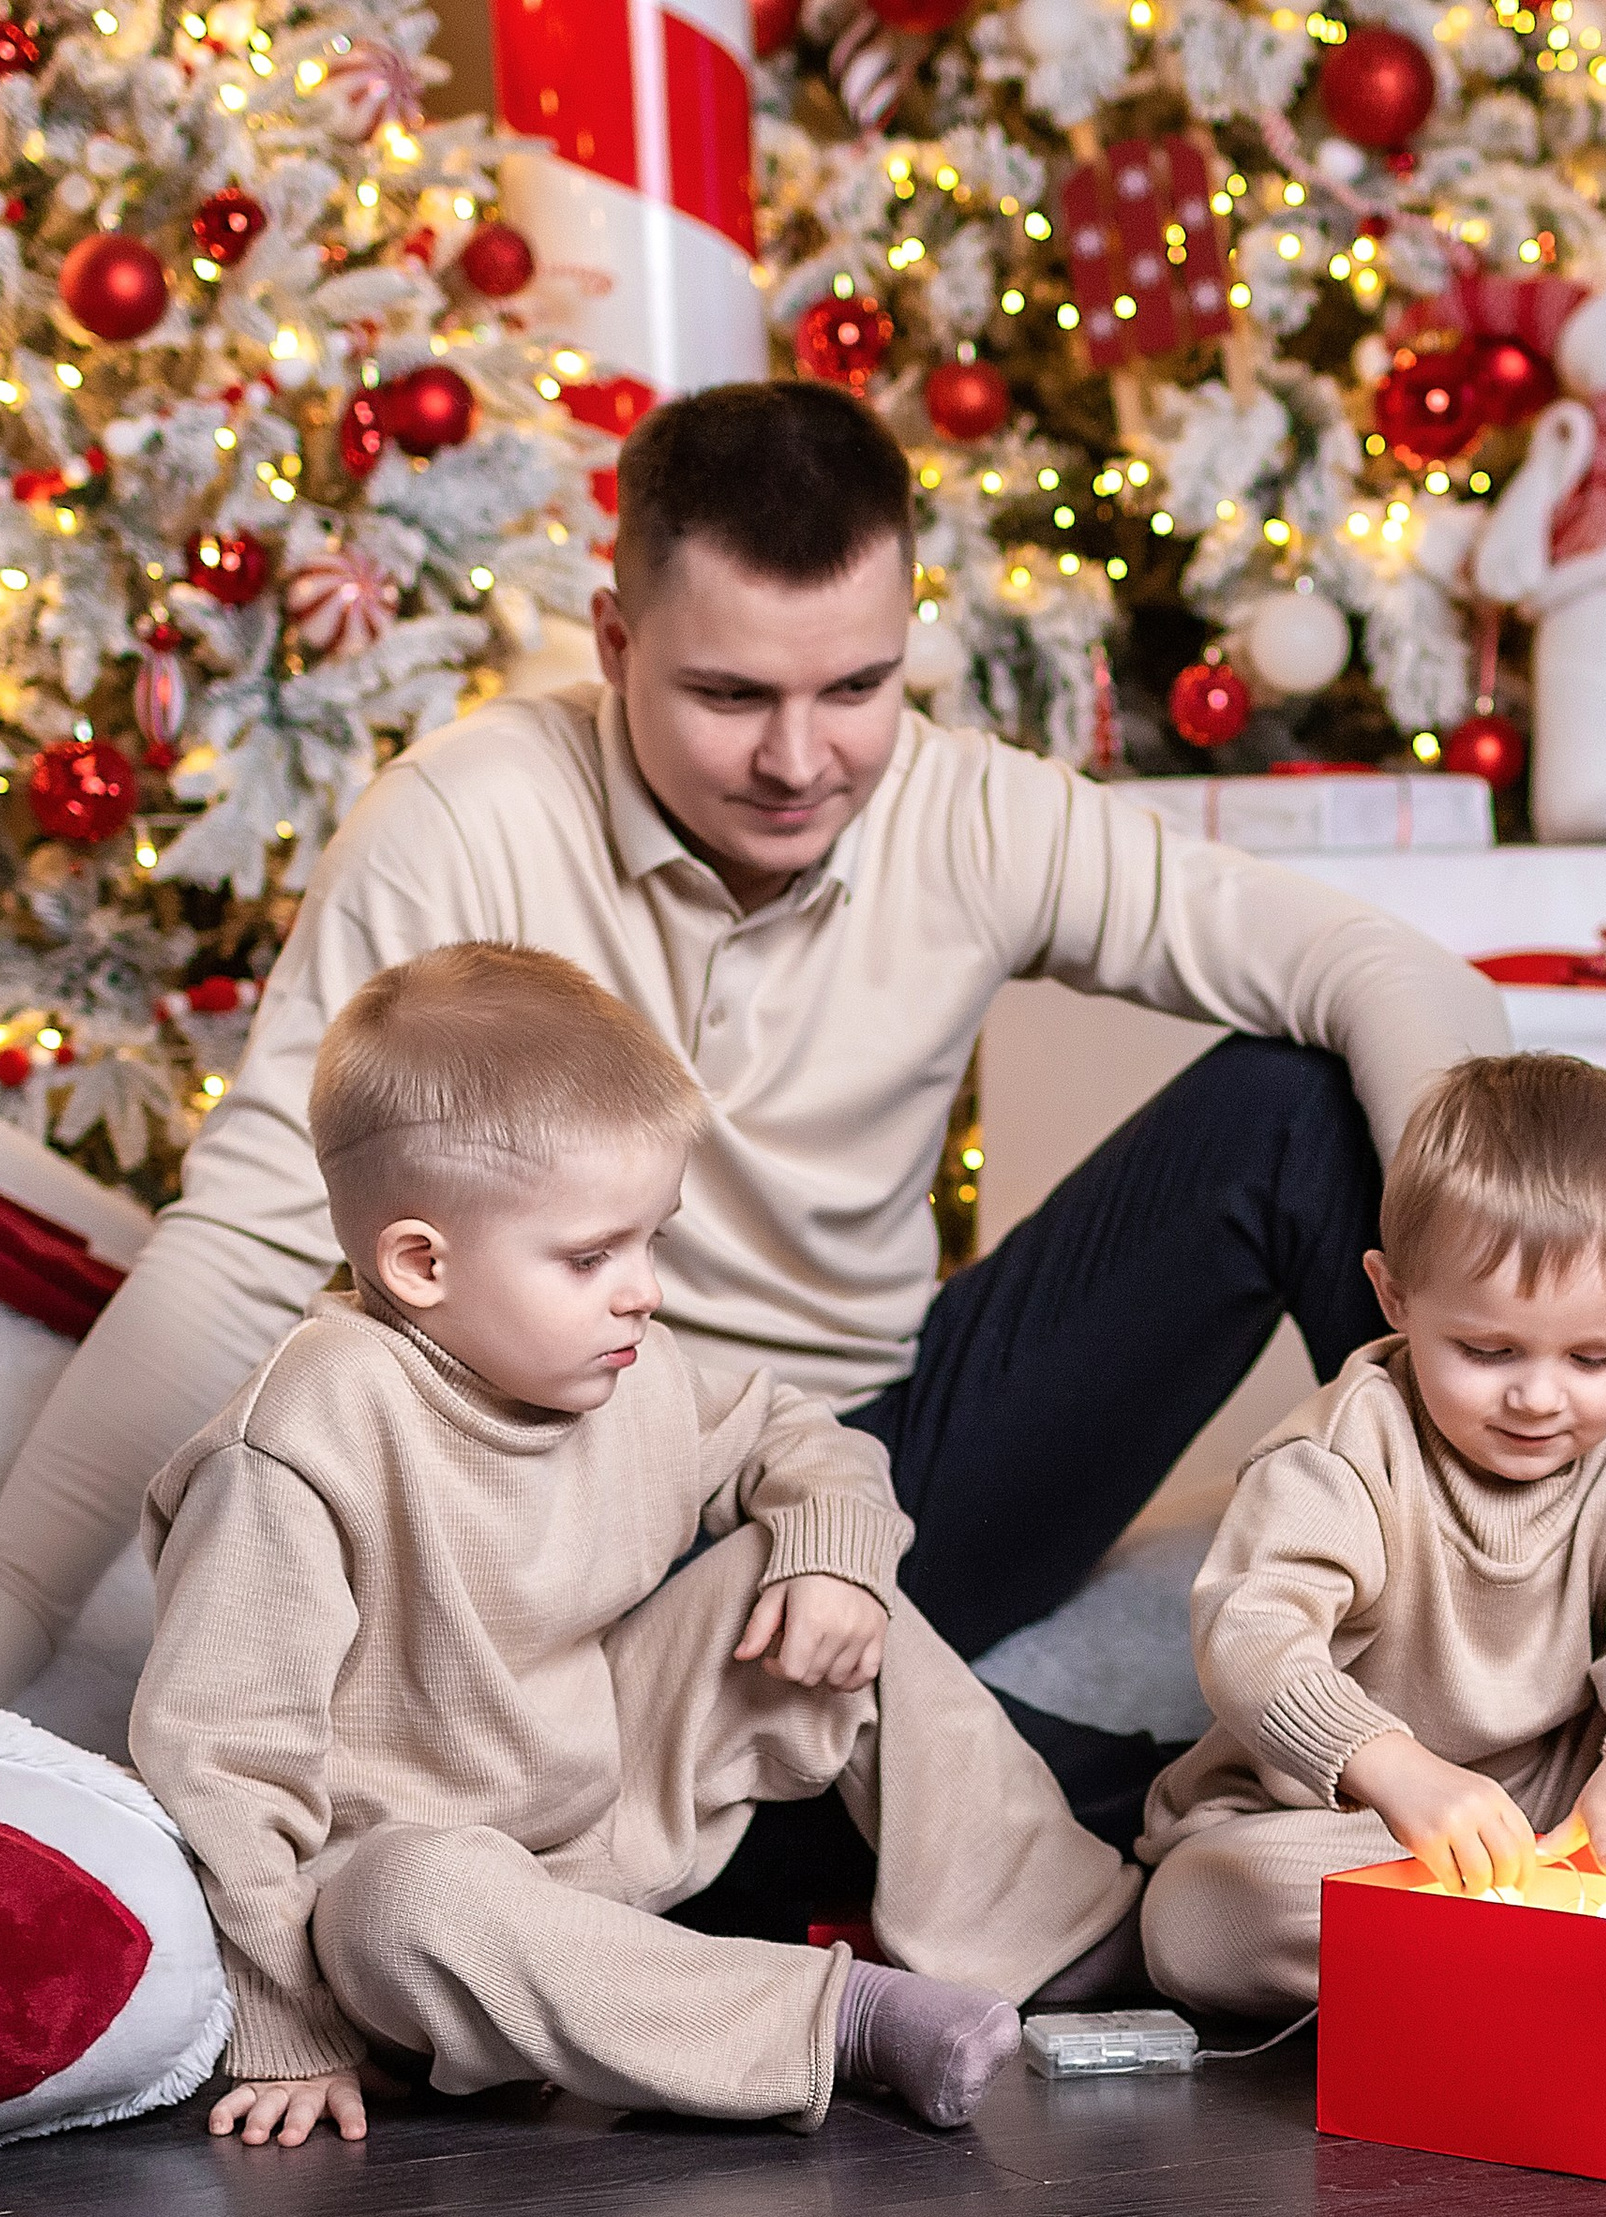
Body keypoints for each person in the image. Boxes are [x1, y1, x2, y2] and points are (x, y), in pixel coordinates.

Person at [0, 378, 1506, 1896]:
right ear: (615, 645)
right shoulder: (467, 818)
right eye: (730, 697)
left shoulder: (973, 808)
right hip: (571, 1501)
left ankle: (1503, 1691)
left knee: (1296, 1110)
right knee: (800, 1828)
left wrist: (1502, 1280)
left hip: (886, 1467)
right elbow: (252, 1235)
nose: (802, 761)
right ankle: (1087, 1824)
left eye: (855, 688)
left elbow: (1390, 972)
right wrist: (10, 1620)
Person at [130, 945, 1138, 2149]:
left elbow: (794, 1433)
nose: (643, 1292)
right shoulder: (301, 1444)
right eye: (591, 1257)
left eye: (651, 1241)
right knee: (408, 1897)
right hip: (416, 1926)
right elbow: (223, 1764)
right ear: (420, 1266)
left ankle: (1066, 1931)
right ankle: (834, 2021)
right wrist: (287, 2025)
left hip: (603, 1808)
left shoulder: (624, 1368)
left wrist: (829, 1552)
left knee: (805, 1576)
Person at [1137, 1052, 1606, 2012]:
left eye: (1595, 1356)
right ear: (1395, 1298)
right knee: (1200, 1914)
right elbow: (1251, 1641)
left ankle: (1590, 1958)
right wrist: (1399, 1775)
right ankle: (1583, 1964)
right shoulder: (1342, 1453)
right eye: (1487, 1350)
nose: (1539, 1397)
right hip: (1379, 1825)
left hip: (1573, 1814)